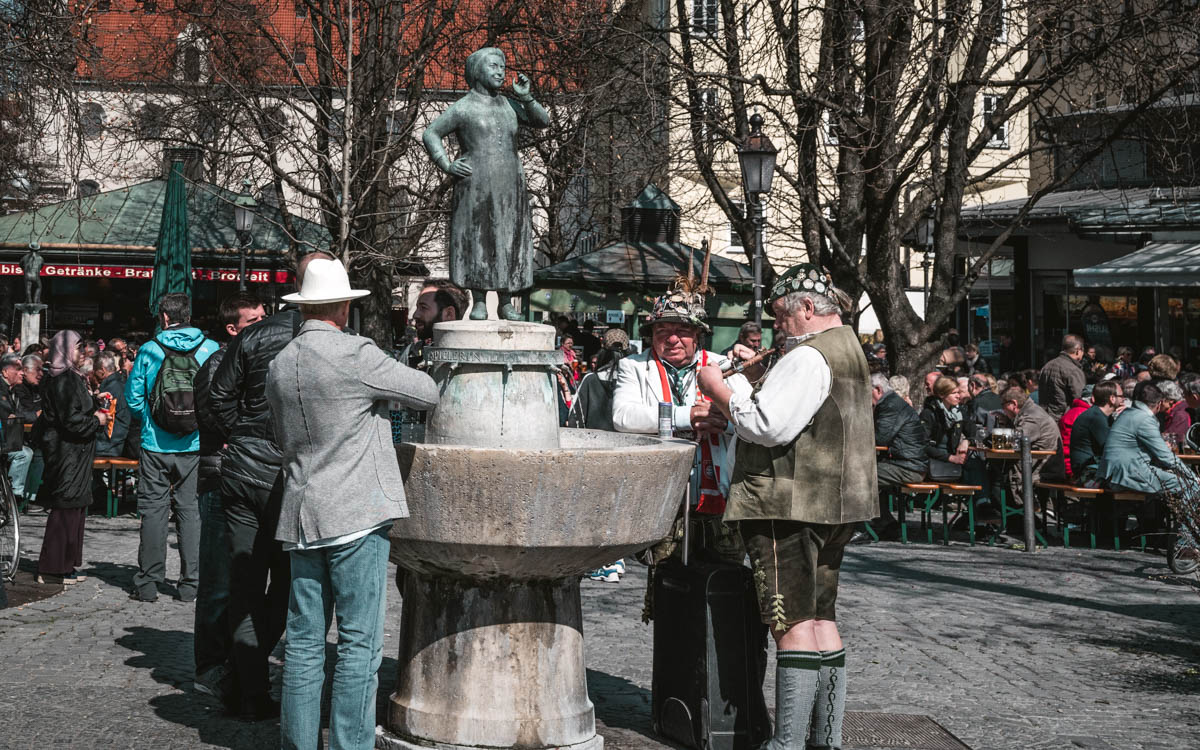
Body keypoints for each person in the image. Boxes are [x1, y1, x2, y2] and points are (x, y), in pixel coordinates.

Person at [696, 263, 875, 750]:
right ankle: (824, 740)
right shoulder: (849, 351)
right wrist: (757, 378)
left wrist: (721, 388)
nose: (778, 327)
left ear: (809, 309)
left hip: (788, 504)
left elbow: (770, 425)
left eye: (781, 316)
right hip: (837, 503)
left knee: (791, 624)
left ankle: (788, 743)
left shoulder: (809, 356)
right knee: (821, 619)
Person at [266, 258, 439, 750]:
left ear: (304, 307)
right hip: (356, 513)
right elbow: (426, 393)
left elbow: (279, 435)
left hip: (302, 512)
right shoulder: (355, 354)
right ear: (343, 306)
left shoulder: (282, 363)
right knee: (359, 645)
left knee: (302, 644)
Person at [208, 251, 334, 720]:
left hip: (244, 469)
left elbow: (218, 393)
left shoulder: (257, 334)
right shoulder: (327, 339)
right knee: (285, 584)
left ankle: (247, 687)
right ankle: (251, 683)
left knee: (245, 582)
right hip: (286, 474)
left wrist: (242, 433)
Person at [612, 279, 738, 566]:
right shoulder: (633, 367)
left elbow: (750, 421)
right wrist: (689, 416)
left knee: (723, 581)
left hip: (721, 497)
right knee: (666, 582)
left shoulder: (722, 366)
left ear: (698, 336)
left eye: (682, 331)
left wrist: (723, 422)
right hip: (663, 499)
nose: (672, 339)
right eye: (662, 331)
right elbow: (623, 417)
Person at [421, 46, 550, 320]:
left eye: (502, 67)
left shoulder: (509, 104)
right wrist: (446, 164)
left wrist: (526, 99)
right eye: (493, 66)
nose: (500, 71)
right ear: (478, 70)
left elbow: (543, 121)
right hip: (474, 184)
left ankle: (505, 302)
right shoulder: (463, 107)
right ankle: (479, 300)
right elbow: (431, 133)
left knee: (507, 239)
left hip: (509, 185)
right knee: (478, 239)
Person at [192, 292, 265, 701]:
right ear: (232, 329)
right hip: (221, 480)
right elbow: (214, 415)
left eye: (263, 316)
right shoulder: (218, 365)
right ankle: (211, 667)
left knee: (244, 578)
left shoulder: (255, 363)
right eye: (252, 321)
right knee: (219, 580)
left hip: (243, 477)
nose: (262, 324)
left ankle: (240, 664)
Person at [125, 293, 219, 603]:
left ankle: (149, 583)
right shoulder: (210, 348)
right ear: (188, 315)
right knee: (190, 511)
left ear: (164, 317)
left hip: (156, 443)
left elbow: (133, 398)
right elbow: (218, 396)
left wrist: (154, 421)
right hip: (194, 443)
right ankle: (190, 584)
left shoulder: (150, 349)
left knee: (153, 511)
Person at [34, 331, 106, 585]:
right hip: (67, 452)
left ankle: (65, 565)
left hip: (74, 452)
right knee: (65, 507)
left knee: (74, 506)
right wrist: (96, 420)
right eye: (76, 348)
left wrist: (94, 402)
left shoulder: (69, 377)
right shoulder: (64, 379)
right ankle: (53, 568)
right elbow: (71, 420)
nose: (80, 353)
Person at [1100, 381, 1189, 495]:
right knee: (1185, 483)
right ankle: (1192, 513)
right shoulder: (1145, 419)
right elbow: (1166, 457)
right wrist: (1192, 477)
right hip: (1127, 476)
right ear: (1159, 403)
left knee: (1171, 478)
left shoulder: (1128, 413)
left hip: (1113, 474)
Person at [869, 373, 926, 540]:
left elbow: (878, 438)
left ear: (878, 390)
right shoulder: (892, 403)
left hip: (909, 467)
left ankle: (862, 527)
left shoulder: (890, 406)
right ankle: (887, 524)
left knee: (859, 476)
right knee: (866, 473)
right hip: (908, 463)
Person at [999, 386, 1067, 513]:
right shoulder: (1030, 411)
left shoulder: (1032, 416)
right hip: (1039, 464)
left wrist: (992, 438)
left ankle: (1025, 516)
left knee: (1003, 476)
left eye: (1004, 405)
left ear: (1014, 403)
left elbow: (1015, 441)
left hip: (1044, 469)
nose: (1003, 410)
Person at [1069, 380, 1121, 485]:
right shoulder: (1096, 418)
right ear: (1112, 398)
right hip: (1088, 474)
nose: (1123, 399)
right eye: (1121, 396)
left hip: (1092, 469)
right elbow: (1110, 448)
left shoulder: (1100, 415)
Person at [920, 376, 970, 481]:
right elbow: (923, 445)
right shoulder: (929, 413)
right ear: (942, 394)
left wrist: (966, 441)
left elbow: (973, 430)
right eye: (954, 393)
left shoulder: (959, 412)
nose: (958, 396)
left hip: (953, 464)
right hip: (932, 463)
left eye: (959, 392)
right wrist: (951, 458)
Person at [0, 355, 33, 503]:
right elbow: (9, 414)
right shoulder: (2, 390)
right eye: (18, 369)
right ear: (5, 372)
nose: (22, 373)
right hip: (4, 440)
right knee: (24, 453)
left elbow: (19, 413)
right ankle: (12, 495)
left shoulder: (13, 390)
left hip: (7, 437)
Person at [1038, 334, 1087, 422]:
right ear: (1078, 351)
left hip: (1045, 418)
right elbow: (1079, 400)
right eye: (1083, 350)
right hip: (1063, 420)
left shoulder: (1047, 366)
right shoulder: (1074, 370)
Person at [91, 352, 131, 458]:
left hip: (109, 444)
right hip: (117, 441)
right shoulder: (122, 382)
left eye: (95, 371)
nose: (94, 374)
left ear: (102, 370)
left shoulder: (111, 388)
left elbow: (105, 418)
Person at [1156, 379, 1191, 445]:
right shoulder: (1168, 413)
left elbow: (1172, 441)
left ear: (1170, 400)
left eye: (1159, 399)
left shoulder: (1180, 415)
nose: (1156, 402)